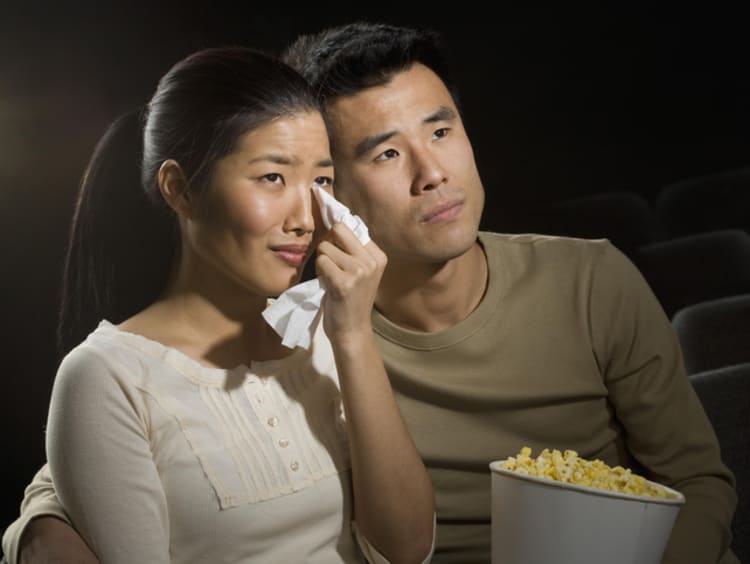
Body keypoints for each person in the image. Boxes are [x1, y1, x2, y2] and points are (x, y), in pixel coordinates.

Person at [3, 21, 738, 564]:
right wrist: (36, 530)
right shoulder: (311, 323)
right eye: (385, 153)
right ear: (336, 194)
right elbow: (113, 428)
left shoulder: (592, 279)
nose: (433, 172)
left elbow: (700, 482)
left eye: (442, 131)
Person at [1, 46, 435, 564]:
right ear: (181, 190)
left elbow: (409, 552)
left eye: (321, 180)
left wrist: (352, 336)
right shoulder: (108, 377)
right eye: (273, 177)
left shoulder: (326, 332)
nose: (305, 218)